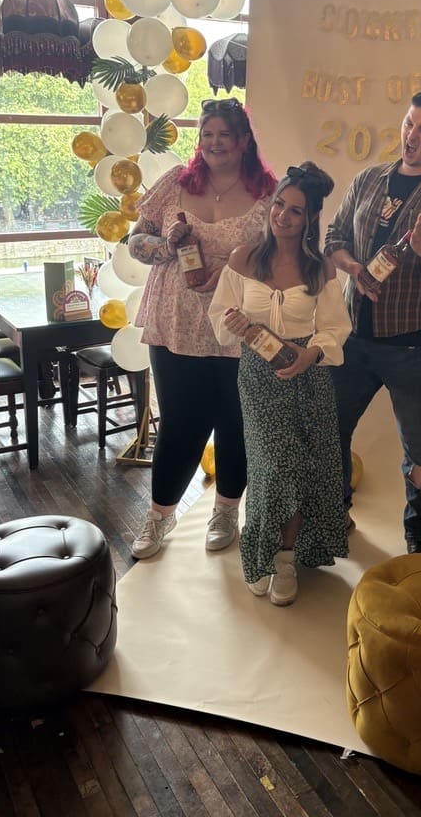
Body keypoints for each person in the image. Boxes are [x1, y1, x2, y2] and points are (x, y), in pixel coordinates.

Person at [324, 87, 421, 554]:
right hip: (354, 338)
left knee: (420, 448)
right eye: (409, 123)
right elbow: (334, 237)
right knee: (331, 430)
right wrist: (353, 268)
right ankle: (334, 515)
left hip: (413, 347)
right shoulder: (368, 179)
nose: (411, 135)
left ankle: (418, 533)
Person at [129, 98, 277, 560]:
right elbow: (135, 240)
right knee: (180, 423)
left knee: (237, 421)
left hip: (237, 320)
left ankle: (227, 509)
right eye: (207, 134)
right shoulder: (175, 182)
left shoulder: (268, 193)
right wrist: (165, 246)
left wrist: (237, 268)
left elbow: (282, 255)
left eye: (225, 134)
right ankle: (159, 515)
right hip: (176, 320)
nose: (215, 142)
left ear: (244, 141)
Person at [209, 161, 351, 605]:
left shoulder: (319, 267)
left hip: (308, 381)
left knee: (303, 470)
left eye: (295, 211)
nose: (282, 216)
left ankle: (286, 560)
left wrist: (312, 353)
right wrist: (233, 322)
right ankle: (261, 553)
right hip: (258, 378)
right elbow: (220, 318)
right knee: (271, 470)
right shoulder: (243, 258)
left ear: (309, 219)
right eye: (279, 205)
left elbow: (334, 327)